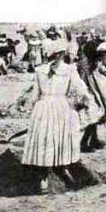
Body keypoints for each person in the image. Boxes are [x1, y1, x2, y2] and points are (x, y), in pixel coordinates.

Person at [21, 39, 93, 193]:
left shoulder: (40, 70)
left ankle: (44, 179)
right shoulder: (69, 70)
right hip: (61, 106)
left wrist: (33, 108)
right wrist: (83, 103)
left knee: (45, 140)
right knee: (59, 139)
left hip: (43, 107)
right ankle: (61, 172)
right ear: (61, 54)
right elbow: (81, 90)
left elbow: (34, 95)